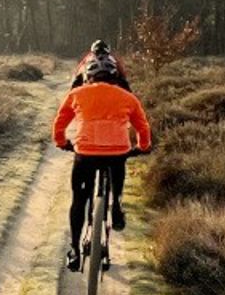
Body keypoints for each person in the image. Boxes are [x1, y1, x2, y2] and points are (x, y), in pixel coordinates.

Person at [53, 54, 152, 271]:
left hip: (85, 154)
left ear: (87, 75)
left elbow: (59, 122)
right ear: (115, 76)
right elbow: (143, 127)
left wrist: (62, 142)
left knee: (79, 200)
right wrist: (143, 147)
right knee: (117, 174)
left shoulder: (76, 94)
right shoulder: (128, 97)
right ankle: (116, 205)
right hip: (117, 153)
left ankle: (74, 251)